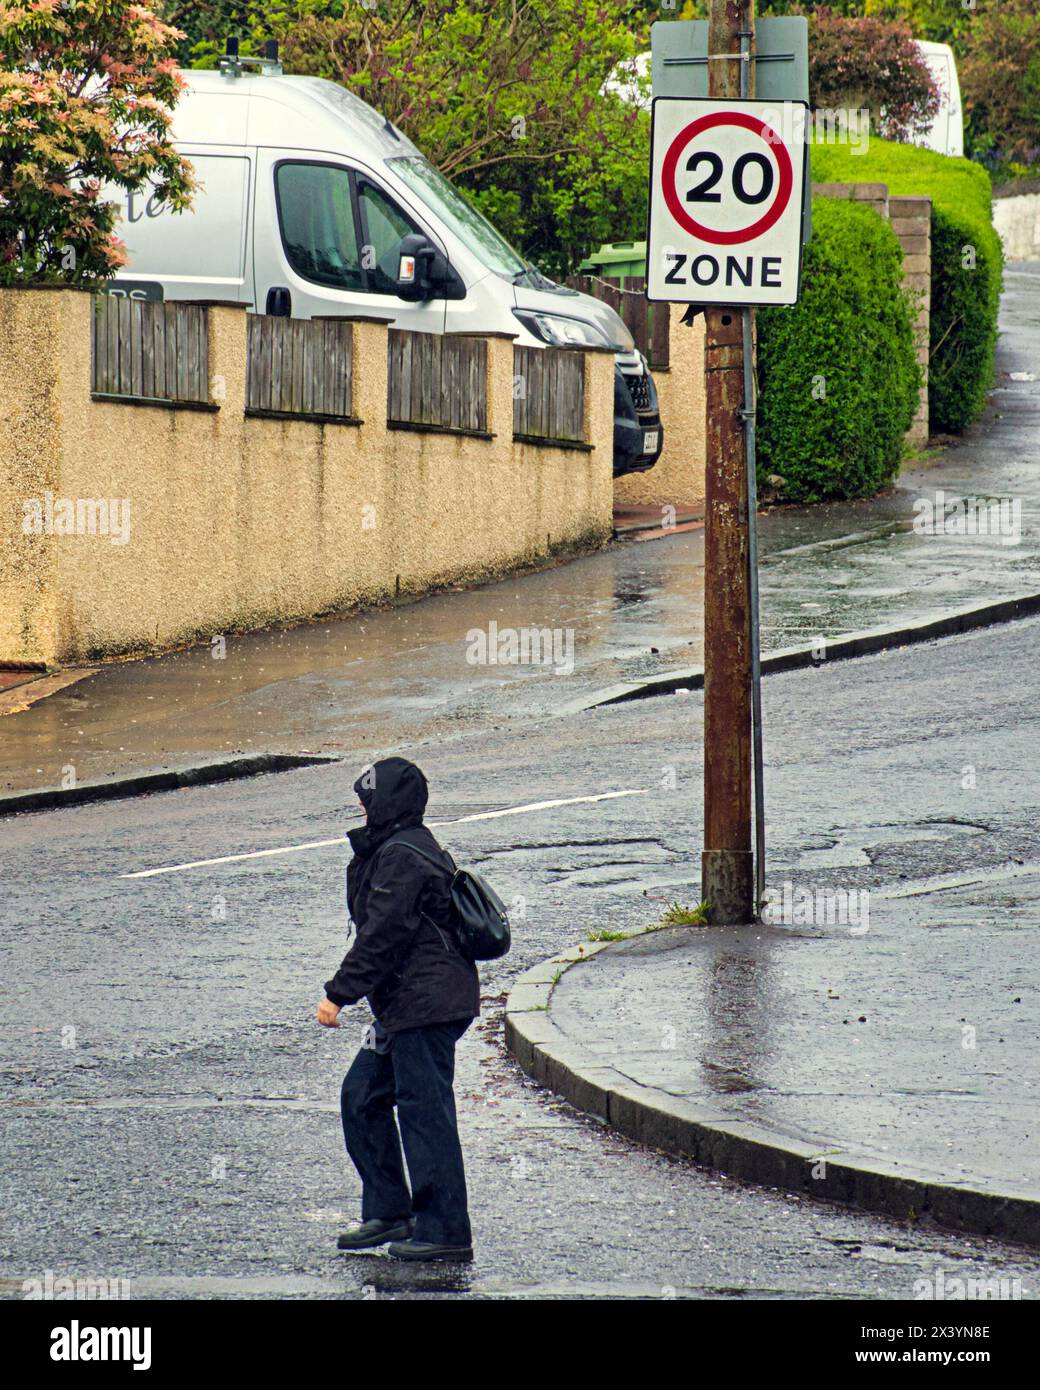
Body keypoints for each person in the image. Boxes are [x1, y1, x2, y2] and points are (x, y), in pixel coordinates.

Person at [317, 756, 480, 1262]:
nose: (361, 809)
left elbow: (383, 935)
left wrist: (338, 993)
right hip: (406, 1004)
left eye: (367, 801)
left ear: (387, 803)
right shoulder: (393, 847)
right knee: (362, 1096)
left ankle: (446, 1231)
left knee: (425, 1114)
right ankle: (390, 1212)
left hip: (427, 1003)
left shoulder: (404, 855)